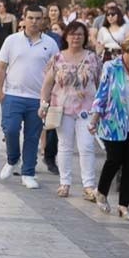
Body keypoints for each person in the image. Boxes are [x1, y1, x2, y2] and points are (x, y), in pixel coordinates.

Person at [88, 34, 129, 219]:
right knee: (114, 159)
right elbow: (101, 95)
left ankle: (124, 205)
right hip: (114, 123)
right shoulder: (111, 67)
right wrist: (94, 119)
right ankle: (101, 192)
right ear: (125, 50)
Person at [0, 4, 58, 188]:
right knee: (11, 129)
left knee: (32, 136)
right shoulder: (11, 40)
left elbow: (55, 72)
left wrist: (49, 99)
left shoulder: (50, 44)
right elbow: (1, 67)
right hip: (13, 94)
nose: (34, 22)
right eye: (30, 18)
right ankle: (12, 159)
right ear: (23, 19)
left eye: (38, 18)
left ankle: (28, 173)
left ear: (43, 21)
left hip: (37, 98)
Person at [38, 21, 101, 199]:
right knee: (64, 146)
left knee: (87, 146)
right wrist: (43, 105)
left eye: (80, 34)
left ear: (85, 37)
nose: (76, 37)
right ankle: (64, 183)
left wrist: (101, 108)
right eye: (72, 34)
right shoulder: (58, 58)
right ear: (66, 36)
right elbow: (47, 85)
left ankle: (88, 185)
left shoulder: (93, 58)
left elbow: (101, 84)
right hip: (62, 108)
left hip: (87, 110)